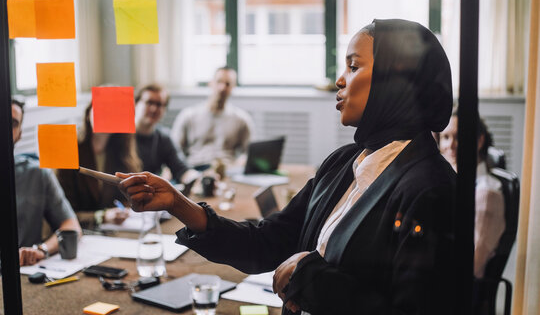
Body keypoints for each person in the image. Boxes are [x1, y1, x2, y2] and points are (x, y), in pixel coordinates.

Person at [118, 19, 457, 314]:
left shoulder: (431, 188)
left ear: (394, 82)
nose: (340, 80)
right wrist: (179, 204)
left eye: (354, 67)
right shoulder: (343, 163)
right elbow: (268, 242)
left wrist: (311, 278)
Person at [11, 99, 82, 266]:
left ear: (20, 134)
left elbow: (72, 227)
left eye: (13, 123)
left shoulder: (37, 174)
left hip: (23, 274)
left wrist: (41, 250)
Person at [438, 109, 505, 279]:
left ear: (479, 141)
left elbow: (470, 263)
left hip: (461, 290)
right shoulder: (449, 182)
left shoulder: (487, 194)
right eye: (445, 137)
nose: (450, 145)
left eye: (458, 137)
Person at [57, 103, 142, 229]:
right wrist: (102, 216)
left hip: (114, 231)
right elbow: (63, 214)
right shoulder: (68, 151)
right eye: (101, 109)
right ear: (88, 114)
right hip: (79, 233)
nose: (106, 116)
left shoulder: (121, 152)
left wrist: (123, 210)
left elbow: (127, 198)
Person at [170, 67, 254, 168]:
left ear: (233, 87)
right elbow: (174, 150)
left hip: (228, 173)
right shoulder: (188, 115)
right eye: (219, 82)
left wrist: (240, 163)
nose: (222, 88)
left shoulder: (242, 119)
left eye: (227, 84)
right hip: (195, 169)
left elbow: (250, 153)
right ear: (211, 83)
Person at [134, 84, 200, 185]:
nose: (154, 109)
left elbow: (181, 169)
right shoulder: (119, 135)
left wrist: (199, 179)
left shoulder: (164, 138)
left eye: (159, 104)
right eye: (149, 102)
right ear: (136, 104)